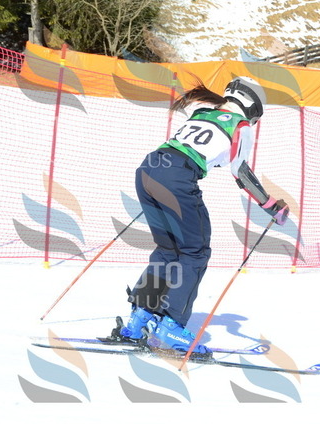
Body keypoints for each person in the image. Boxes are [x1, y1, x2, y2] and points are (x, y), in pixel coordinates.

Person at [117, 76, 289, 356]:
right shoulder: (241, 125)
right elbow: (240, 172)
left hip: (149, 169)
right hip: (177, 177)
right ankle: (171, 327)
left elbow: (197, 145)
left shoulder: (202, 112)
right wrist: (270, 205)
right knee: (194, 253)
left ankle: (138, 320)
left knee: (167, 250)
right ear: (252, 106)